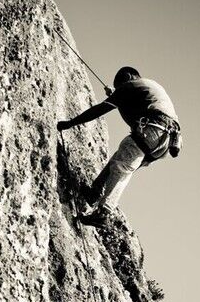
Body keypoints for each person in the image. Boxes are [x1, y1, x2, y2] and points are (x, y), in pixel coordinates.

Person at [57, 66, 182, 227]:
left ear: (129, 76)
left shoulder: (130, 85)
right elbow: (134, 111)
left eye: (119, 85)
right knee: (122, 159)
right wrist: (118, 96)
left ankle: (103, 213)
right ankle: (94, 193)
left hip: (154, 129)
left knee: (122, 165)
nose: (119, 89)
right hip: (167, 141)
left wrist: (70, 123)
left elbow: (100, 109)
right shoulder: (149, 87)